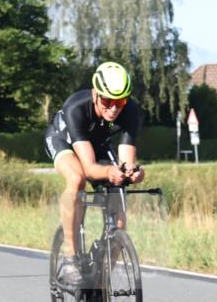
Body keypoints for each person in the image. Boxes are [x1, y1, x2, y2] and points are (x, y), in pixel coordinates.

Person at [43, 62, 146, 286]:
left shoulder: (131, 111)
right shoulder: (76, 107)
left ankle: (101, 283)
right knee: (77, 178)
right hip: (64, 141)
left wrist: (133, 172)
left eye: (120, 102)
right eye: (108, 101)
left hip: (98, 144)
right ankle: (70, 258)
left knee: (119, 221)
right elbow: (89, 167)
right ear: (95, 94)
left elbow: (126, 160)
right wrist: (109, 171)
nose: (114, 108)